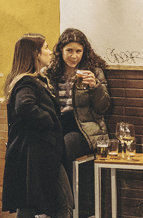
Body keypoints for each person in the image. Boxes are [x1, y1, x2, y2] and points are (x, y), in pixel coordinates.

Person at [2, 33, 71, 218]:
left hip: (37, 153)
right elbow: (24, 106)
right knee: (63, 203)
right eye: (46, 48)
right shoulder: (26, 82)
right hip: (38, 154)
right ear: (36, 54)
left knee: (29, 206)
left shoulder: (33, 79)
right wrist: (47, 120)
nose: (50, 52)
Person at [45, 29, 111, 172]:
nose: (74, 56)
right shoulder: (52, 73)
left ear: (84, 52)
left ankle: (68, 194)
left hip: (85, 130)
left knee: (64, 146)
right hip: (58, 125)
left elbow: (103, 108)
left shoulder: (93, 71)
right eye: (69, 50)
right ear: (60, 50)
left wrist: (95, 87)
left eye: (78, 51)